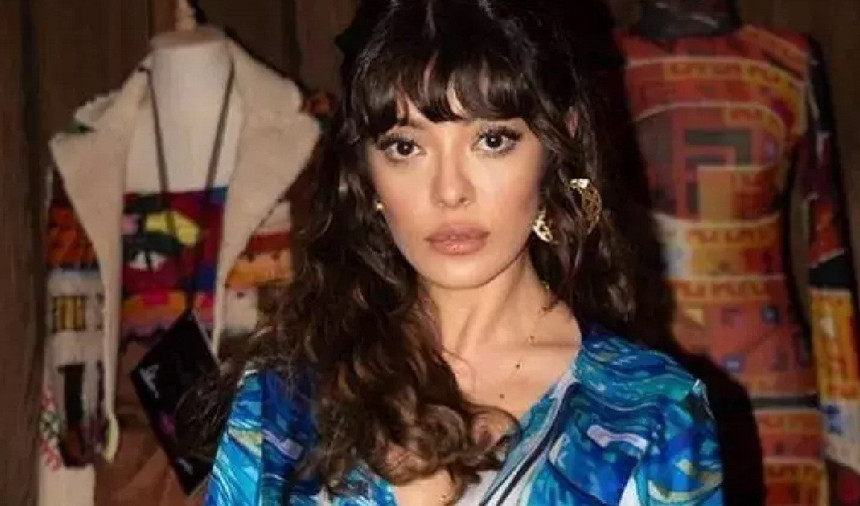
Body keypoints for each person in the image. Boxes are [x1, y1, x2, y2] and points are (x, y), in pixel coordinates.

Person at [196, 0, 724, 504]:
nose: (449, 191)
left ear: (557, 145)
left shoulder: (650, 413)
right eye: (406, 146)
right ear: (366, 169)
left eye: (491, 140)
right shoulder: (282, 398)